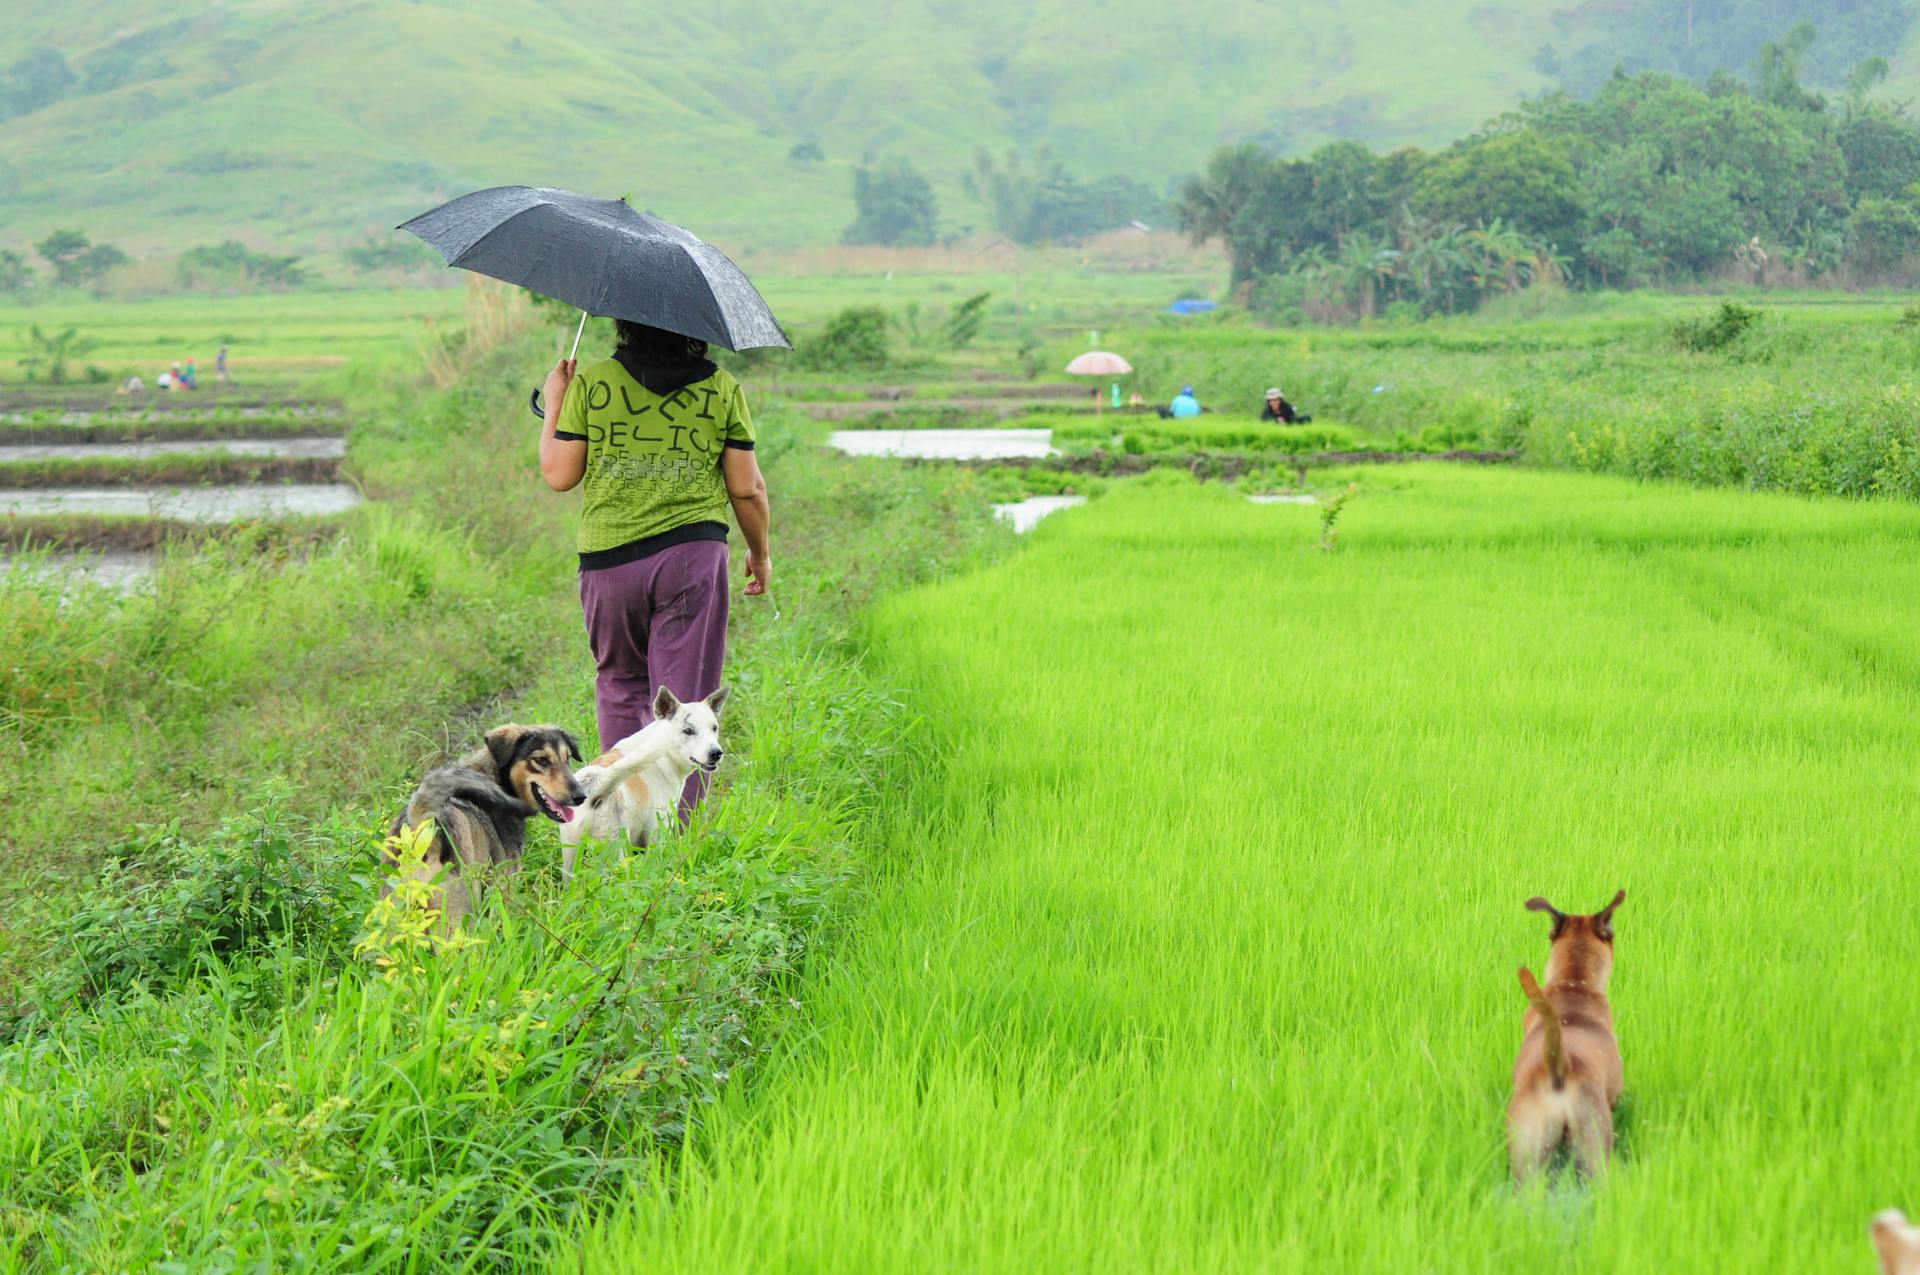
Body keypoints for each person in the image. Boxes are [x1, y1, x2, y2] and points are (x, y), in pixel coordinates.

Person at [538, 320, 771, 821]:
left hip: (609, 562)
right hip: (693, 556)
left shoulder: (594, 382)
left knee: (620, 685)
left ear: (624, 323)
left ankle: (620, 823)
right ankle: (676, 838)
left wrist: (555, 400)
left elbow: (559, 474)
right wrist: (761, 551)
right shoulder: (722, 388)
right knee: (686, 703)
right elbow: (747, 488)